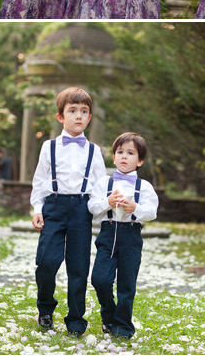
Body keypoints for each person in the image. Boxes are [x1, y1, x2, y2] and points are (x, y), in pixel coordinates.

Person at [30, 87, 107, 335]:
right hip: (54, 206)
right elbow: (39, 180)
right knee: (47, 262)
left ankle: (75, 320)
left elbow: (100, 185)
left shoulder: (94, 151)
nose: (78, 116)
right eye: (72, 111)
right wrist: (37, 208)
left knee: (78, 267)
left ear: (89, 118)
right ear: (60, 117)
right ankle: (45, 308)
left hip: (80, 210)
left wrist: (100, 209)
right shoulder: (49, 147)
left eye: (84, 111)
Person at [89, 131, 158, 339]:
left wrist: (135, 208)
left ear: (140, 160)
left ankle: (122, 327)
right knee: (100, 279)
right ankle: (109, 316)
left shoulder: (143, 187)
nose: (124, 156)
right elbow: (92, 206)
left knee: (127, 284)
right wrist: (107, 203)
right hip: (108, 233)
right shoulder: (104, 183)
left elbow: (152, 212)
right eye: (120, 152)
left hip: (131, 235)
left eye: (130, 153)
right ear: (114, 156)